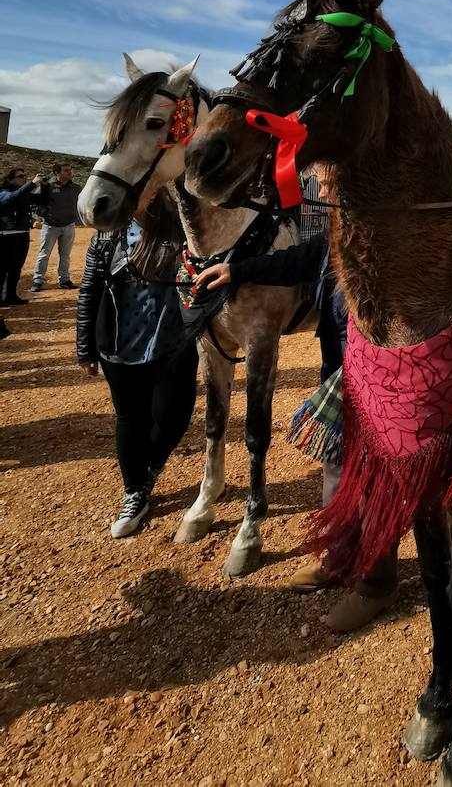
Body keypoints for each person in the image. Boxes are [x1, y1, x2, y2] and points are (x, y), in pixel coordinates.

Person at [194, 169, 399, 633]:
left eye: (326, 184)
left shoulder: (383, 234)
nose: (318, 191)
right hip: (340, 374)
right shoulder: (338, 232)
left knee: (373, 480)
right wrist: (238, 269)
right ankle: (339, 559)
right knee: (336, 470)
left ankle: (377, 583)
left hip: (377, 379)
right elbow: (299, 260)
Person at [76, 191, 198, 537]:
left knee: (174, 417)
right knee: (131, 419)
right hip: (119, 346)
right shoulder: (108, 234)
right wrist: (84, 347)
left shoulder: (182, 228)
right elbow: (90, 290)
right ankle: (135, 492)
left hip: (172, 344)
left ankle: (150, 470)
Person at [32, 164, 82, 291]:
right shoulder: (46, 186)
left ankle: (64, 280)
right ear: (56, 173)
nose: (70, 172)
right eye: (66, 170)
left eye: (70, 170)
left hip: (69, 226)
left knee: (65, 255)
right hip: (50, 227)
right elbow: (34, 203)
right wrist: (44, 214)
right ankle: (38, 281)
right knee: (44, 254)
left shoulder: (76, 188)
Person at [0, 166, 45, 306]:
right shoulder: (3, 192)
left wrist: (45, 186)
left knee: (16, 268)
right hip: (7, 236)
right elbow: (11, 199)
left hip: (23, 234)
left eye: (25, 175)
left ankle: (11, 296)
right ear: (10, 179)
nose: (24, 178)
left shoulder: (23, 193)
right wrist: (32, 183)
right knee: (2, 268)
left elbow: (42, 200)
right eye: (21, 176)